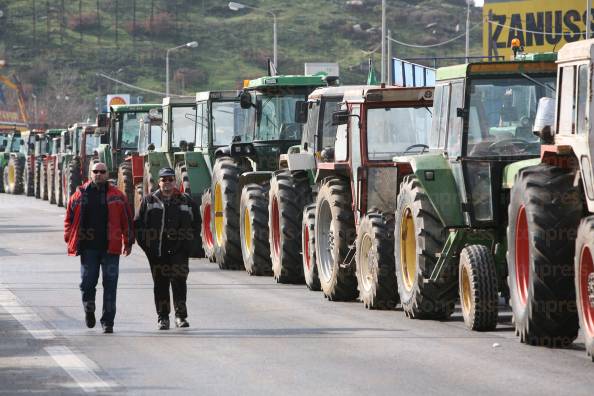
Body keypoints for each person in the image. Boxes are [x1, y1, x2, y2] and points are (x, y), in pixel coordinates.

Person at [64, 162, 134, 334]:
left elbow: (127, 219)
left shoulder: (117, 195)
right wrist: (69, 238)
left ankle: (108, 322)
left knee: (110, 285)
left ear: (107, 174)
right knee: (87, 283)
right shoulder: (80, 194)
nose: (99, 174)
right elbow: (69, 218)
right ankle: (89, 308)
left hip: (111, 248)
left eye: (102, 172)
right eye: (95, 171)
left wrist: (129, 240)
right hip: (88, 249)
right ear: (90, 173)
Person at [134, 167, 202, 330]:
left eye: (170, 179)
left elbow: (196, 223)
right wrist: (148, 247)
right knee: (161, 284)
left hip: (179, 250)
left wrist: (188, 245)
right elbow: (138, 225)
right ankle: (163, 318)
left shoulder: (186, 201)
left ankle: (180, 316)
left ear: (175, 181)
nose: (167, 183)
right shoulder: (149, 201)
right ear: (159, 182)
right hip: (157, 251)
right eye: (164, 180)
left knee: (179, 283)